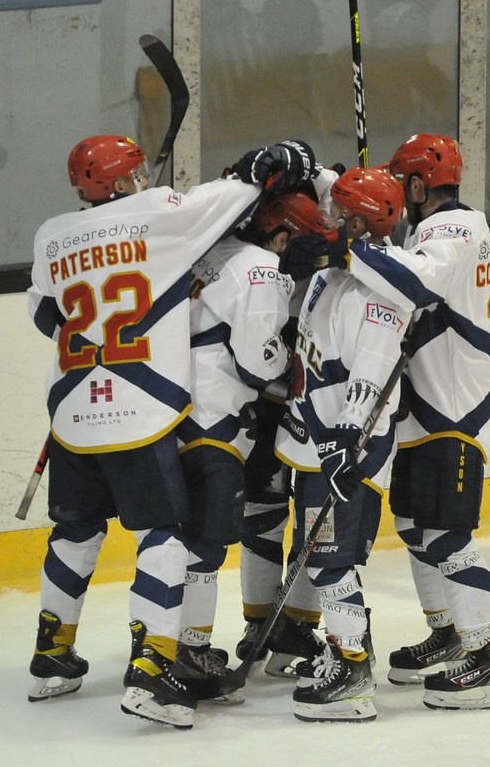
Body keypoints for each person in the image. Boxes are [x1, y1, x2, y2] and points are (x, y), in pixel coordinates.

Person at [25, 135, 318, 730]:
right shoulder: (158, 216)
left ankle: (51, 656)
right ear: (121, 182)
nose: (141, 179)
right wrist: (273, 158)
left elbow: (43, 313)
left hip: (72, 404)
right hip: (140, 406)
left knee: (75, 531)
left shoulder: (51, 234)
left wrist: (108, 322)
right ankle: (155, 670)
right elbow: (239, 188)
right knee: (165, 532)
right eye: (132, 173)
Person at [285, 135, 490, 710]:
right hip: (423, 406)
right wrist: (326, 182)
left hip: (451, 408)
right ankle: (449, 633)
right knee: (414, 527)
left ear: (415, 186)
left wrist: (344, 247)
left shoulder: (454, 229)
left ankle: (487, 656)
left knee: (444, 533)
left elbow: (413, 283)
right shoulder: (432, 228)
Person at [173, 189, 334, 701]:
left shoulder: (209, 246)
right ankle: (206, 643)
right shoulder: (263, 270)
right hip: (239, 406)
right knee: (245, 522)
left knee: (254, 514)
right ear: (282, 232)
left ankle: (265, 626)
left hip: (184, 408)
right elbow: (258, 363)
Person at [274, 166, 408, 723]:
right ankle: (346, 648)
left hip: (344, 441)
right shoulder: (340, 269)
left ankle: (351, 672)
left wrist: (346, 436)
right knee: (329, 554)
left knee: (329, 558)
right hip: (320, 435)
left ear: (356, 221)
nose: (325, 219)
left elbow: (372, 370)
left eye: (338, 213)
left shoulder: (382, 290)